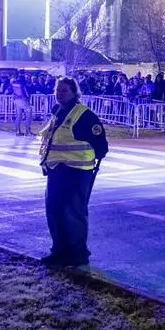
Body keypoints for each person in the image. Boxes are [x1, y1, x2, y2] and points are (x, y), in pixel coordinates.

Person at [38, 77, 108, 267]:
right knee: (54, 212)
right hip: (56, 170)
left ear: (74, 93)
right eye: (58, 90)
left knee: (73, 214)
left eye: (64, 91)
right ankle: (59, 252)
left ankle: (77, 255)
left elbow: (101, 147)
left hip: (76, 173)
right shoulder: (58, 112)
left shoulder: (85, 116)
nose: (60, 94)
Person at [11, 72, 32, 136]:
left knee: (18, 116)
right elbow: (26, 93)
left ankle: (18, 131)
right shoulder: (23, 83)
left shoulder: (14, 83)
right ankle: (27, 132)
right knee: (28, 115)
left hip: (16, 100)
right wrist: (28, 100)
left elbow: (12, 92)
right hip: (23, 100)